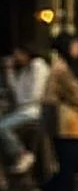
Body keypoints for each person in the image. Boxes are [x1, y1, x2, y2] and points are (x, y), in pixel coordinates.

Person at [39, 32, 78, 191]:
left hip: (62, 119)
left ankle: (51, 189)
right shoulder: (62, 69)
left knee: (70, 160)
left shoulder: (60, 66)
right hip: (65, 121)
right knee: (71, 160)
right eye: (75, 45)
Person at [0, 42, 48, 179]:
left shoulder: (38, 66)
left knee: (1, 127)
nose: (16, 58)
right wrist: (9, 72)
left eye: (17, 55)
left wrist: (22, 103)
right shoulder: (23, 70)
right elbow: (17, 94)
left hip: (34, 111)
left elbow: (35, 95)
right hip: (24, 109)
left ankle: (21, 154)